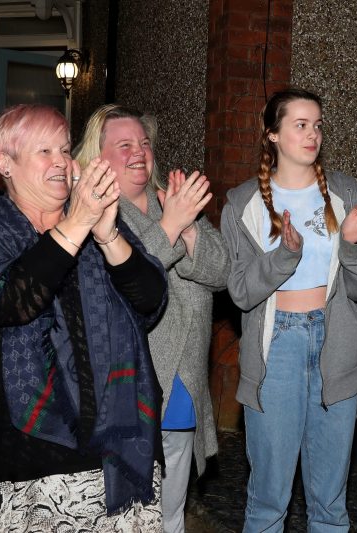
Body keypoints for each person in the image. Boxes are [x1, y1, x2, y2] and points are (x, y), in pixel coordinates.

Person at [0, 104, 166, 531]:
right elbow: (14, 302)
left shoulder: (96, 224)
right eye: (44, 151)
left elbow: (151, 298)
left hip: (114, 445)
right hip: (25, 450)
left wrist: (107, 235)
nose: (62, 162)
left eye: (64, 150)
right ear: (5, 164)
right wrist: (79, 223)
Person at [220, 87, 357, 532]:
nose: (312, 134)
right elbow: (239, 291)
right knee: (268, 499)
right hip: (277, 350)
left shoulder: (348, 194)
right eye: (300, 125)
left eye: (317, 125)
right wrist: (283, 257)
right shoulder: (242, 205)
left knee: (330, 502)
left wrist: (350, 245)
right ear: (271, 133)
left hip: (337, 345)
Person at [74, 104, 229, 533]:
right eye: (124, 145)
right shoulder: (93, 215)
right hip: (128, 388)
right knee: (125, 517)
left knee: (171, 515)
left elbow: (222, 272)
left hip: (183, 385)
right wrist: (173, 225)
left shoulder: (172, 200)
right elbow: (129, 283)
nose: (139, 151)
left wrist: (187, 225)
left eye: (144, 142)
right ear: (98, 157)